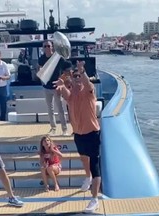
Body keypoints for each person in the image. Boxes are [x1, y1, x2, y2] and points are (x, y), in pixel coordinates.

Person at [53, 61, 101, 213]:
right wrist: (61, 85)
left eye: (79, 76)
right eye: (75, 77)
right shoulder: (71, 95)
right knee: (83, 157)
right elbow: (63, 91)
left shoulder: (89, 91)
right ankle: (87, 178)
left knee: (95, 166)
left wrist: (82, 71)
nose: (77, 79)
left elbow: (87, 83)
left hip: (92, 134)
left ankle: (94, 200)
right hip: (78, 135)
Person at [38, 40, 68, 136]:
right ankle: (53, 128)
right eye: (45, 46)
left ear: (52, 47)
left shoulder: (58, 58)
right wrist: (40, 76)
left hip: (56, 87)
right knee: (49, 109)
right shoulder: (41, 58)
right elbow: (39, 69)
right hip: (46, 87)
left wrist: (61, 79)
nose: (46, 48)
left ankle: (64, 129)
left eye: (48, 46)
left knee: (60, 108)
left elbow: (68, 68)